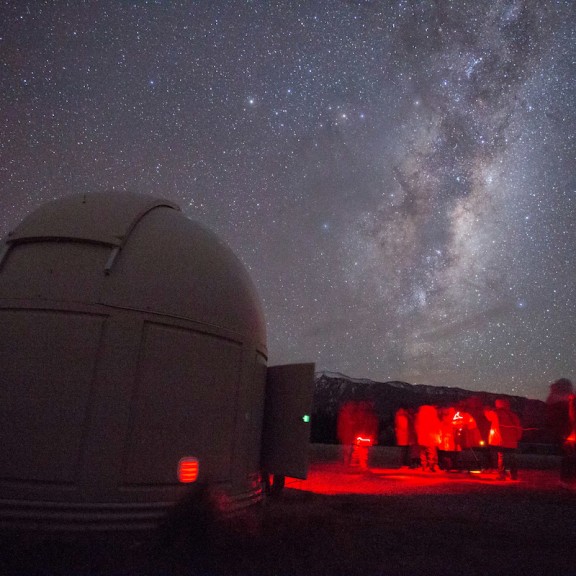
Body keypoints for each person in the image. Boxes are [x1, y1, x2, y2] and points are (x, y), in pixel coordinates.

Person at [546, 378, 576, 486]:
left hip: (570, 435)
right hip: (569, 435)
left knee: (568, 458)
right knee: (569, 458)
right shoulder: (565, 403)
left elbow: (571, 418)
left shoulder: (566, 405)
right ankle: (567, 480)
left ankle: (566, 480)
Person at [484, 398, 522, 480]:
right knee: (512, 458)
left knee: (501, 457)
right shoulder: (513, 415)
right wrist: (518, 437)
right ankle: (514, 475)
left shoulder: (496, 413)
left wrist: (486, 410)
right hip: (512, 441)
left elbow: (488, 417)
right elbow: (518, 427)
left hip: (501, 440)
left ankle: (502, 475)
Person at [414, 405, 441, 472]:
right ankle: (432, 466)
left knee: (423, 451)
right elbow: (436, 425)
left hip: (422, 436)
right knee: (431, 451)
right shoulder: (432, 414)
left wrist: (418, 434)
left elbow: (416, 426)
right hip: (431, 436)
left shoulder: (420, 415)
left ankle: (424, 466)